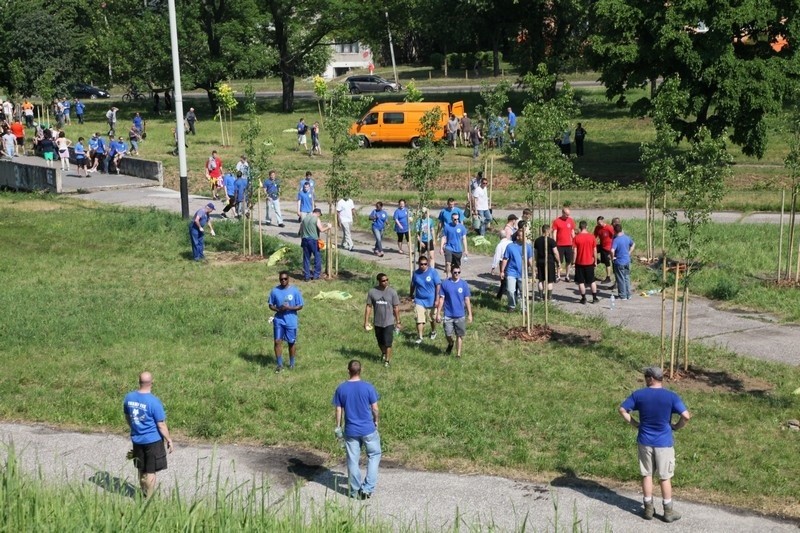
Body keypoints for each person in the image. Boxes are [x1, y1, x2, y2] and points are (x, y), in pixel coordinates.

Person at [619, 366, 691, 522]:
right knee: (665, 477)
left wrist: (636, 424)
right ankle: (668, 512)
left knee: (647, 474)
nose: (645, 379)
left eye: (646, 376)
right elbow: (686, 416)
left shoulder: (639, 395)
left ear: (651, 378)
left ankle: (648, 509)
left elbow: (622, 410)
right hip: (664, 443)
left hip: (644, 441)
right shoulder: (671, 396)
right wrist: (676, 427)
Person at [332, 359, 381, 499]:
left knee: (353, 460)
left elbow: (338, 409)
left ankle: (354, 491)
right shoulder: (368, 387)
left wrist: (338, 426)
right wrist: (375, 421)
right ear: (361, 370)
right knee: (374, 455)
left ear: (348, 371)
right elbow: (375, 409)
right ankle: (367, 488)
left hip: (351, 430)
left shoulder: (341, 388)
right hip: (368, 429)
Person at [123, 371, 174, 498]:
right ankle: (149, 498)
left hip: (137, 440)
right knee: (150, 471)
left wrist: (134, 428)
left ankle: (143, 492)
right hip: (153, 441)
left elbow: (128, 417)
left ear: (139, 382)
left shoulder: (129, 398)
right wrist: (169, 439)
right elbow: (161, 424)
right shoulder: (154, 402)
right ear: (152, 382)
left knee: (141, 468)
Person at [269, 271, 304, 373]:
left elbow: (300, 305)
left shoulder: (295, 291)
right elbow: (270, 305)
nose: (283, 281)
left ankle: (292, 364)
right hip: (279, 320)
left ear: (288, 279)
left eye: (285, 279)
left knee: (291, 342)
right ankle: (279, 365)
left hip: (291, 321)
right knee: (277, 341)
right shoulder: (275, 291)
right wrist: (278, 309)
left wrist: (289, 307)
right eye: (281, 279)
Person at [364, 273, 401, 367]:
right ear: (379, 281)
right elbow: (368, 306)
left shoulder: (392, 292)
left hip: (389, 322)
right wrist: (366, 321)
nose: (386, 282)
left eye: (387, 280)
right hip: (377, 322)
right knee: (380, 341)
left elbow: (396, 307)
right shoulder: (372, 292)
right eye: (383, 281)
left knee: (388, 342)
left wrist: (398, 322)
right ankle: (384, 353)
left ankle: (387, 362)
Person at [435, 266, 472, 357]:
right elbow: (441, 299)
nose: (457, 274)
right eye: (455, 272)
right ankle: (451, 343)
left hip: (460, 315)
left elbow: (467, 300)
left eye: (459, 272)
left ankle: (458, 354)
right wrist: (438, 313)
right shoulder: (445, 284)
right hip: (448, 314)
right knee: (448, 334)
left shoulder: (463, 284)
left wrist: (470, 314)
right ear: (451, 272)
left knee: (459, 335)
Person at [500, 229, 533, 312]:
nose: (525, 238)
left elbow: (530, 259)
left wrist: (533, 270)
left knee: (524, 292)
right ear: (518, 237)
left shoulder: (528, 247)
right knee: (510, 290)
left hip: (523, 272)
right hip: (511, 272)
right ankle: (512, 306)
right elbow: (505, 259)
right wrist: (502, 271)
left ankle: (524, 308)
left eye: (525, 236)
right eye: (523, 236)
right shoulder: (510, 246)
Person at [410, 256, 441, 344]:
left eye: (425, 264)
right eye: (421, 264)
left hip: (431, 299)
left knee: (432, 318)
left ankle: (433, 331)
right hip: (419, 299)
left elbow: (438, 285)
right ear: (418, 264)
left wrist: (437, 299)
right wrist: (411, 294)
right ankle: (420, 337)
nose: (423, 266)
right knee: (419, 319)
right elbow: (413, 285)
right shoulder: (416, 273)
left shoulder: (433, 272)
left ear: (427, 263)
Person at [299, 208, 331, 281]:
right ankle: (316, 275)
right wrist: (328, 227)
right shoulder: (316, 219)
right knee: (317, 257)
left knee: (306, 258)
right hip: (313, 240)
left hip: (304, 240)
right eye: (319, 215)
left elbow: (300, 230)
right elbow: (321, 229)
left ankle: (307, 276)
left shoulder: (305, 218)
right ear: (318, 213)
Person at [573, 220, 599, 304]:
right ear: (586, 227)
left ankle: (583, 298)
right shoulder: (592, 237)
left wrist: (574, 262)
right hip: (589, 262)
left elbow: (575, 251)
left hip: (579, 263)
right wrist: (595, 260)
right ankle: (594, 298)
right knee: (592, 281)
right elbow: (595, 250)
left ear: (580, 227)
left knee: (581, 282)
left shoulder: (576, 238)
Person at [533, 225, 559, 300]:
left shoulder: (537, 240)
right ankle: (549, 297)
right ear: (548, 231)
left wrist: (536, 260)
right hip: (549, 262)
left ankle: (541, 296)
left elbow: (535, 252)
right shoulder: (551, 241)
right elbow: (555, 252)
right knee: (550, 280)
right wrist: (558, 261)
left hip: (540, 261)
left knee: (541, 279)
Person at [440, 211, 469, 277]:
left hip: (458, 249)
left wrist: (466, 250)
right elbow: (444, 237)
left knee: (457, 266)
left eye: (457, 219)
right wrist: (441, 248)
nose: (456, 220)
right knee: (448, 263)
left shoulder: (461, 227)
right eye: (455, 219)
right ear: (452, 219)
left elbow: (464, 239)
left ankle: (456, 277)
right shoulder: (447, 227)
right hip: (449, 247)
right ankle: (447, 277)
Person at [611, 223, 635, 300]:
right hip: (627, 261)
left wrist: (613, 257)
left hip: (619, 261)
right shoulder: (627, 238)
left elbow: (612, 250)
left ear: (614, 231)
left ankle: (623, 295)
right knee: (627, 277)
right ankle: (629, 294)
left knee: (620, 278)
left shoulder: (616, 240)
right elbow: (633, 244)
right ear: (621, 229)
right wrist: (629, 252)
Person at [552, 208, 576, 282]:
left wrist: (574, 242)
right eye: (566, 214)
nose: (567, 216)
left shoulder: (571, 220)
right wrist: (554, 243)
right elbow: (554, 233)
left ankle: (567, 275)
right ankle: (558, 275)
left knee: (568, 261)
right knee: (558, 260)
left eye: (568, 214)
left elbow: (572, 232)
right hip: (559, 244)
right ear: (562, 213)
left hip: (569, 244)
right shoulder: (556, 221)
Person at [491, 230, 512, 300]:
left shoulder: (500, 245)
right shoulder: (511, 243)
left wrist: (493, 266)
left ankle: (499, 295)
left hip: (503, 262)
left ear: (499, 237)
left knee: (503, 279)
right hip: (511, 262)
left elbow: (497, 256)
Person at [594, 216, 615, 283]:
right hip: (602, 245)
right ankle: (597, 260)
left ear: (603, 221)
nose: (599, 225)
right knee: (591, 251)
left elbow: (614, 236)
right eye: (598, 223)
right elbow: (594, 236)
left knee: (607, 262)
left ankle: (608, 277)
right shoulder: (597, 228)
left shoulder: (608, 228)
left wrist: (613, 247)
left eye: (600, 223)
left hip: (608, 247)